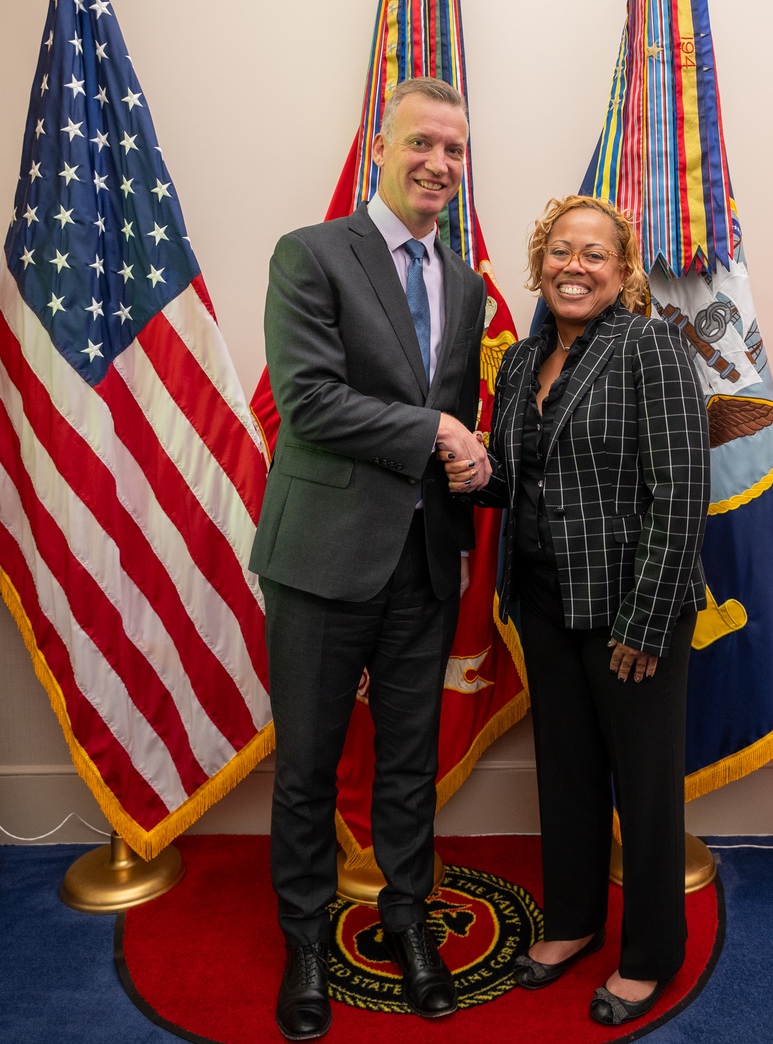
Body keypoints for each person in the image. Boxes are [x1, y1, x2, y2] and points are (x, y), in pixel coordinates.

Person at [250, 77, 491, 1040]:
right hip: (320, 559)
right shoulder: (310, 254)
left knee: (406, 765)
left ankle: (406, 922)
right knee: (307, 765)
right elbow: (307, 402)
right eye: (421, 143)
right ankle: (305, 940)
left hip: (424, 565)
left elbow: (465, 432)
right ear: (379, 148)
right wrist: (436, 425)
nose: (438, 163)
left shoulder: (467, 285)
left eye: (455, 151)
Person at [441, 194, 710, 1028]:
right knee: (566, 775)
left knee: (648, 789)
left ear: (623, 273)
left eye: (595, 254)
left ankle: (652, 954)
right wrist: (477, 475)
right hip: (547, 608)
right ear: (539, 263)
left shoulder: (654, 346)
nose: (575, 266)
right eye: (561, 251)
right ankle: (573, 923)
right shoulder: (521, 365)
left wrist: (646, 620)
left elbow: (682, 490)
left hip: (632, 611)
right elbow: (525, 484)